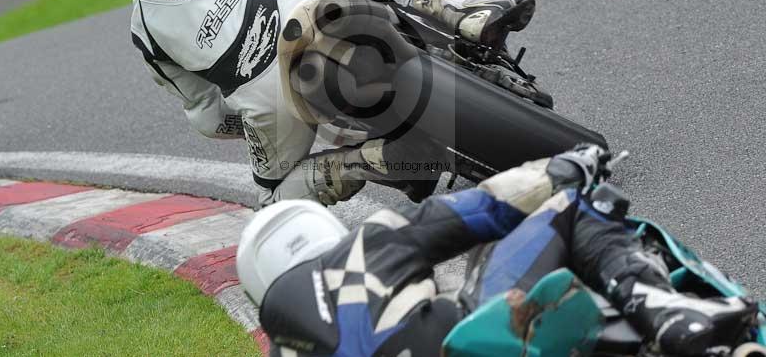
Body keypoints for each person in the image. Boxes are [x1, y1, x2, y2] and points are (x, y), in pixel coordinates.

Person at [114, 0, 537, 207]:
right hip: (303, 12)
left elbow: (206, 118)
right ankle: (466, 14)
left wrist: (246, 121)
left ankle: (364, 162)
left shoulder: (142, 28)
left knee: (274, 201)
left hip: (270, 102)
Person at [237, 145, 758, 356]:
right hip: (454, 340)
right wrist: (566, 168)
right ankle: (669, 313)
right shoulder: (367, 241)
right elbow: (484, 208)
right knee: (571, 207)